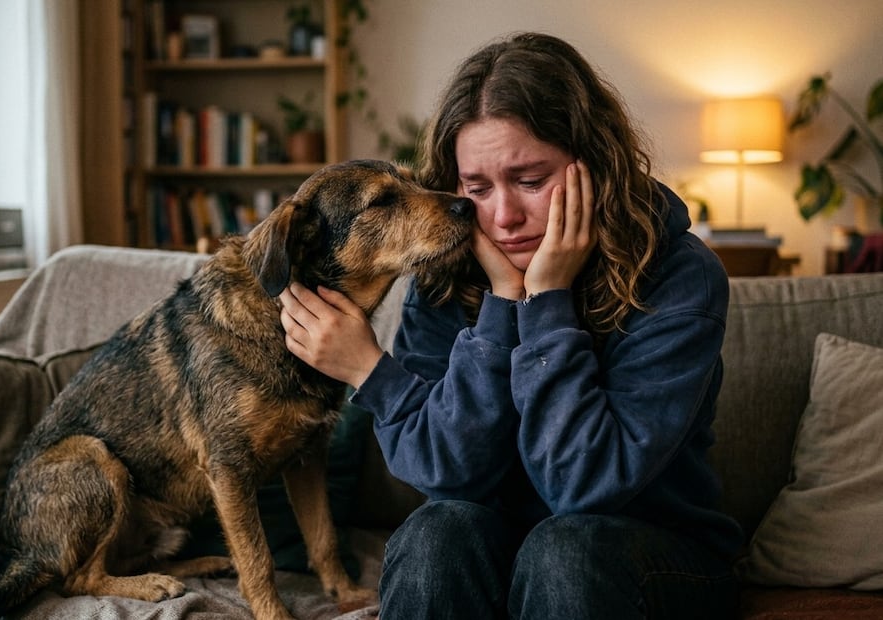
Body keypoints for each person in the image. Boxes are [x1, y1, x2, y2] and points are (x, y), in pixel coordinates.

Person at [278, 32, 743, 619]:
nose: (504, 217)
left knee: (565, 549)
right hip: (501, 546)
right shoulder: (447, 272)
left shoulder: (681, 275)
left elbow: (582, 488)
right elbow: (449, 477)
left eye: (530, 181)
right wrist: (380, 368)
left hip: (649, 555)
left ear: (594, 163)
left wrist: (546, 300)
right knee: (432, 536)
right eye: (477, 189)